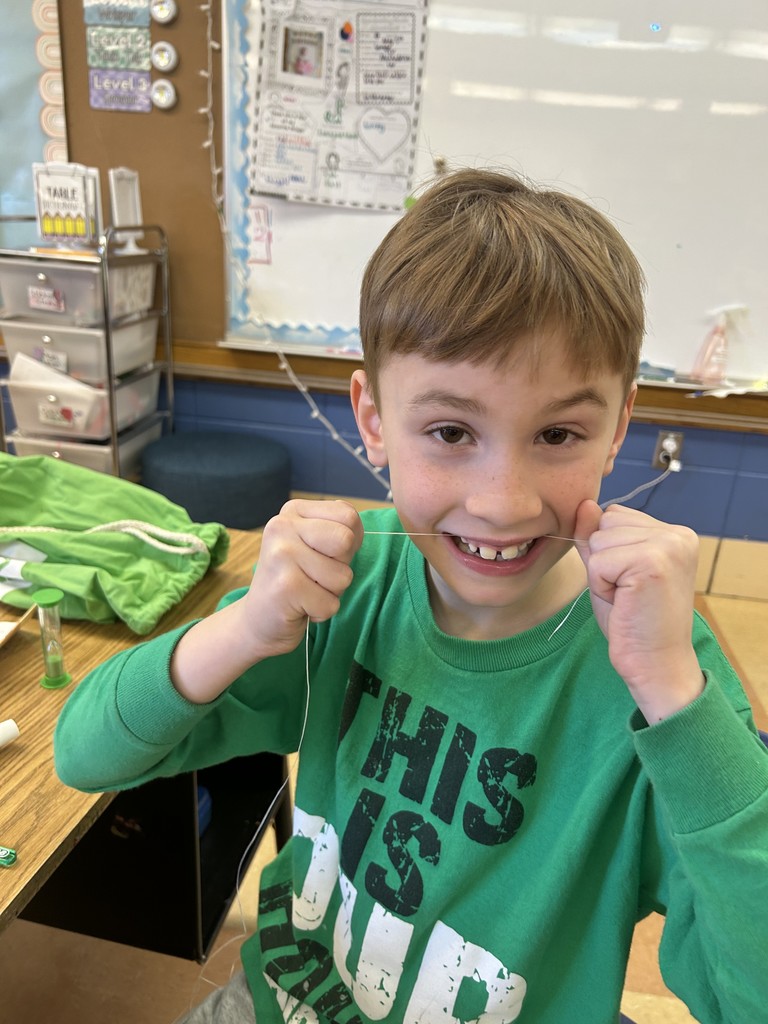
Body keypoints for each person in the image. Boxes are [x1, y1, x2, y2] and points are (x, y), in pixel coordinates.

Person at [54, 168, 768, 1024]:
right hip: (285, 996)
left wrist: (675, 697)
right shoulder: (346, 595)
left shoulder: (660, 674)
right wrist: (244, 628)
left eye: (557, 433)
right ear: (372, 420)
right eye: (450, 432)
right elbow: (85, 754)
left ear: (618, 428)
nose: (503, 500)